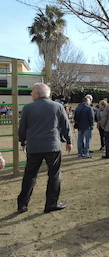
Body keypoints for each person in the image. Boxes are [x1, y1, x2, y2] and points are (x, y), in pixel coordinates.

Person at [17, 83, 72, 213]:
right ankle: (51, 204)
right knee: (54, 175)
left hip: (34, 146)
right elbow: (65, 125)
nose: (31, 94)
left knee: (30, 175)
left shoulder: (27, 108)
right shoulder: (58, 106)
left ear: (38, 93)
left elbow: (22, 128)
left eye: (32, 92)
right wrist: (69, 141)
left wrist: (23, 142)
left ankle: (22, 205)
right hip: (52, 145)